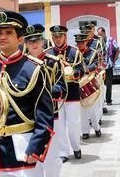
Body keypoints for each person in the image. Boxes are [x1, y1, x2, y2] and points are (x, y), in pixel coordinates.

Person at [0, 10, 54, 176]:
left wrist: (36, 149)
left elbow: (45, 116)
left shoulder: (34, 69)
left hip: (21, 151)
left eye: (8, 33)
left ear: (20, 39)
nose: (2, 37)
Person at [24, 24, 66, 176]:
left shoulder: (53, 62)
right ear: (26, 43)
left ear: (42, 42)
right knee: (31, 161)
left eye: (36, 41)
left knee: (52, 159)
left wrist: (42, 92)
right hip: (27, 118)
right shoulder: (21, 64)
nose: (34, 44)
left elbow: (62, 89)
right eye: (30, 41)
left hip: (49, 117)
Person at [47, 25, 84, 162]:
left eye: (60, 36)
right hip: (56, 96)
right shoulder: (48, 53)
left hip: (72, 93)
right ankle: (63, 152)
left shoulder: (74, 52)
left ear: (65, 37)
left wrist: (72, 73)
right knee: (59, 125)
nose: (57, 39)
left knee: (73, 123)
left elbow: (82, 69)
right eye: (55, 37)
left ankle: (76, 147)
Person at [76, 32, 101, 139]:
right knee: (82, 110)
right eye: (78, 43)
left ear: (86, 42)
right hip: (79, 83)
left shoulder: (93, 53)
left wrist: (86, 69)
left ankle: (96, 128)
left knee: (92, 109)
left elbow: (96, 64)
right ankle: (85, 131)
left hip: (91, 83)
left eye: (81, 42)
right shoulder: (75, 53)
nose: (79, 45)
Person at [98, 27, 119, 107]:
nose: (99, 36)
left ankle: (108, 100)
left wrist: (114, 60)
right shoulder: (98, 42)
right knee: (100, 84)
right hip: (100, 67)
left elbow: (117, 50)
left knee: (109, 84)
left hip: (109, 66)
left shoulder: (111, 40)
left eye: (100, 34)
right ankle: (101, 101)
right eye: (98, 35)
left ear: (104, 33)